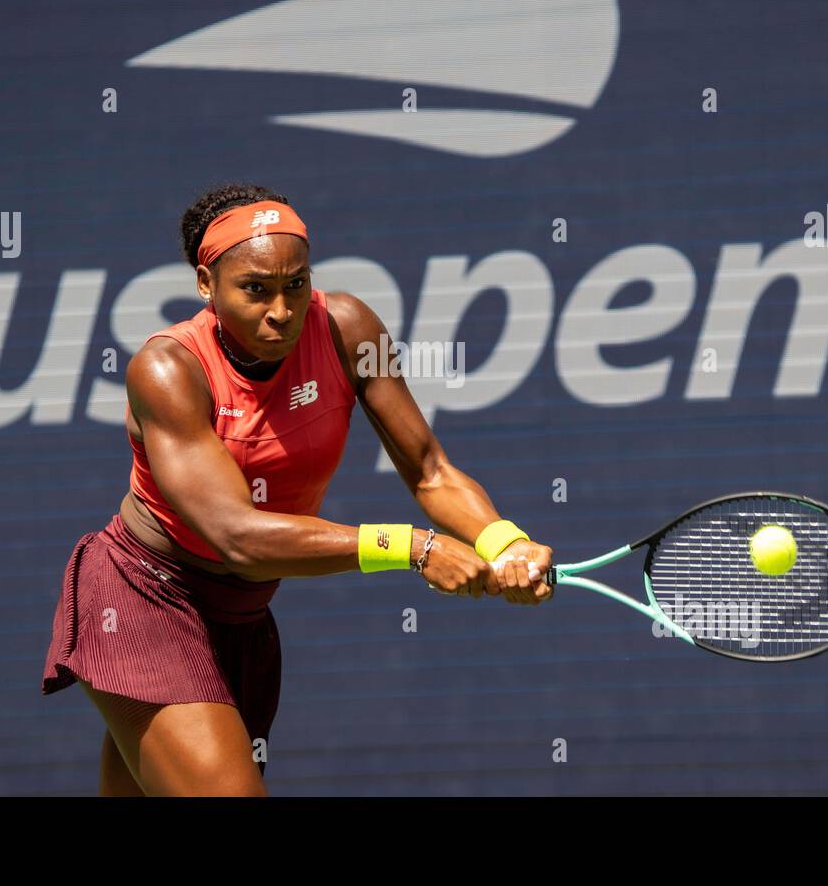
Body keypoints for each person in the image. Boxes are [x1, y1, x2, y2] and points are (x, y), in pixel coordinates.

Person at [42, 182, 554, 796]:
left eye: (296, 284)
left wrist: (505, 542)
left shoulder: (347, 329)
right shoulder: (167, 370)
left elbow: (429, 469)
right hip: (143, 601)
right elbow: (237, 536)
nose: (280, 310)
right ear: (206, 284)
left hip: (242, 621)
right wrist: (416, 548)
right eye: (255, 289)